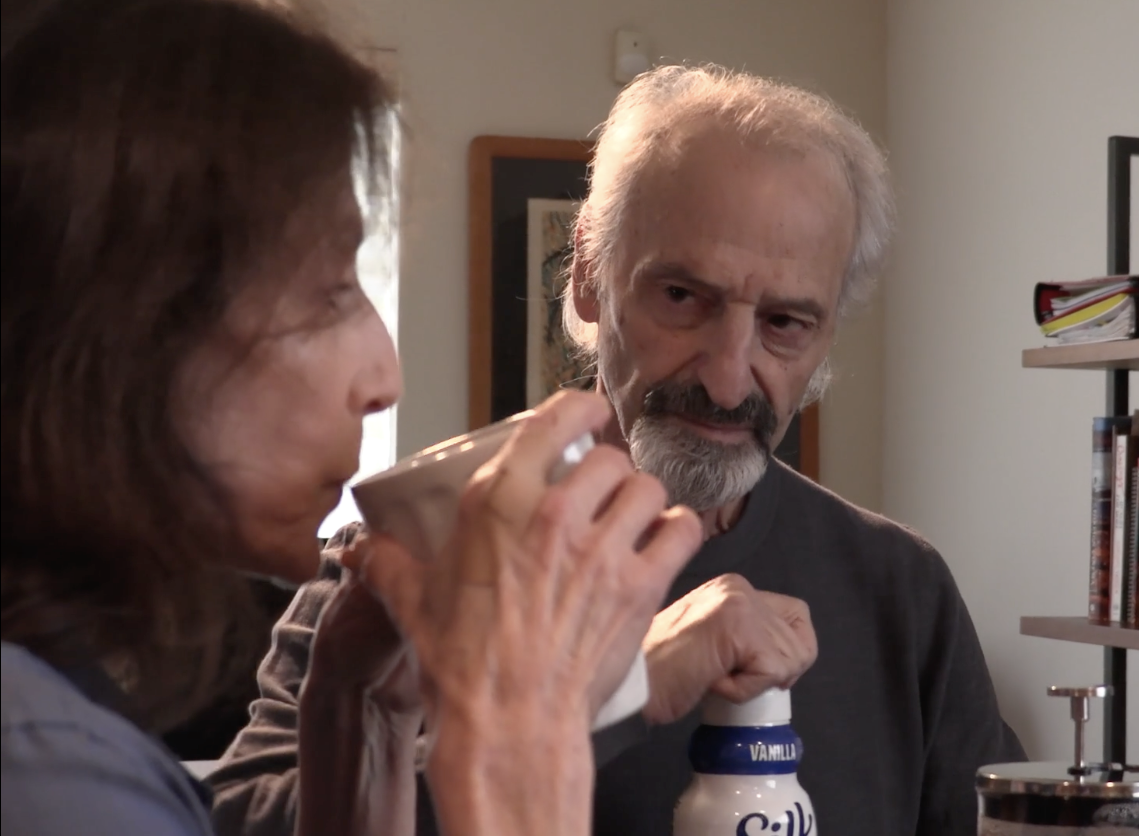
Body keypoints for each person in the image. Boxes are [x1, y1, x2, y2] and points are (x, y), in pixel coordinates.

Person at [1, 3, 814, 835]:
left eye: (787, 321)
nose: (385, 378)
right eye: (328, 292)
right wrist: (523, 742)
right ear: (114, 323)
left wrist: (365, 740)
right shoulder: (52, 776)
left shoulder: (62, 730)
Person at [212, 64, 1027, 836]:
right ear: (588, 275)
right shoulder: (410, 554)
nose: (726, 379)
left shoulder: (902, 591)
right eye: (682, 297)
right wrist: (617, 692)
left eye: (784, 323)